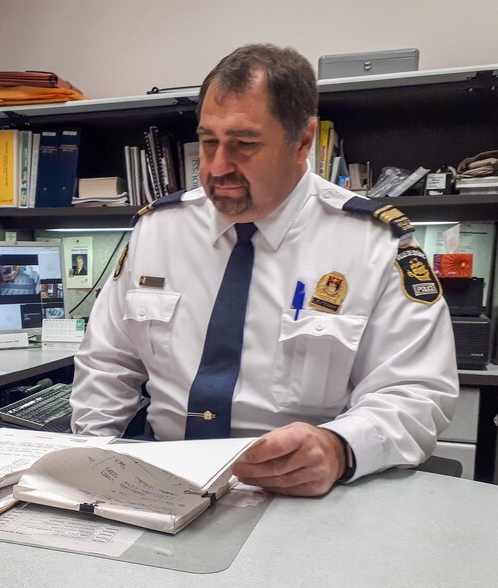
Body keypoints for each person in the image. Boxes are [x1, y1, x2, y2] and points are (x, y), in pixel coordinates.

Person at [70, 43, 458, 497]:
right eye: (209, 141)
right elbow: (108, 362)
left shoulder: (374, 243)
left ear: (303, 140)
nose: (217, 167)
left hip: (297, 497)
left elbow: (416, 391)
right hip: (161, 483)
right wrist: (94, 463)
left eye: (244, 144)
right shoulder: (159, 229)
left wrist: (339, 448)